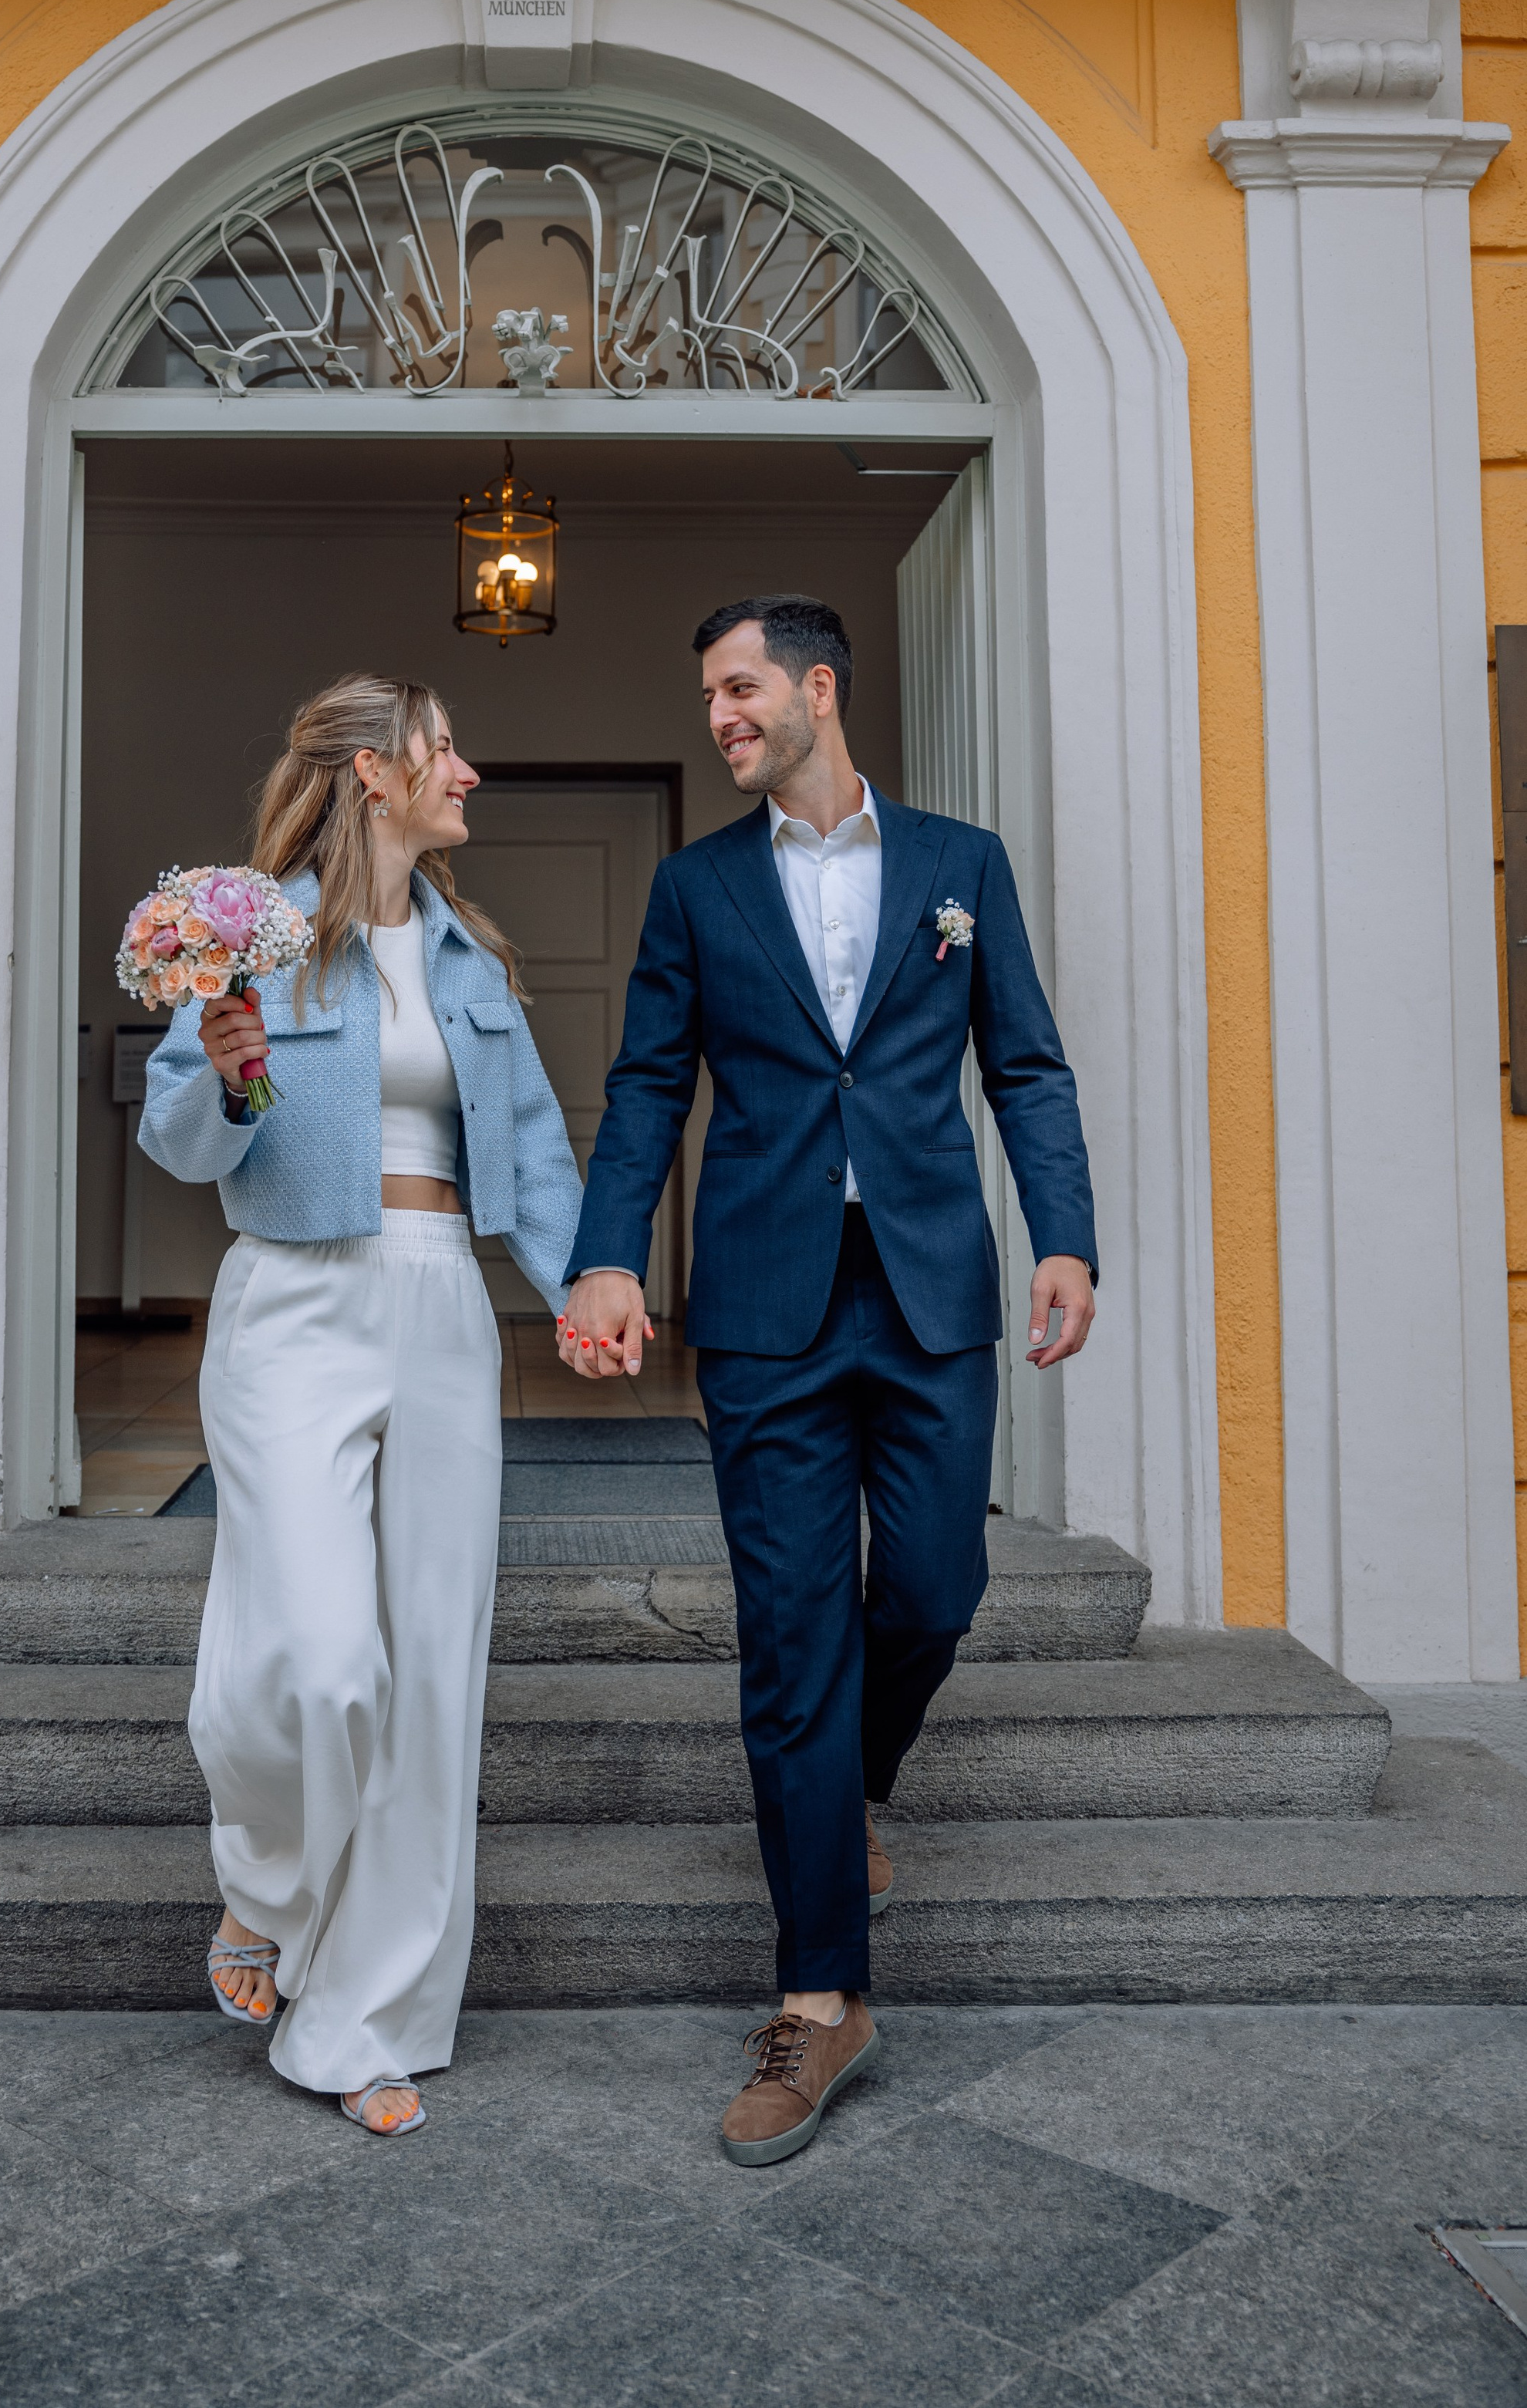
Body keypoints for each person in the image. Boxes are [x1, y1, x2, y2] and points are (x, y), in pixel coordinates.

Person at [560, 594, 1097, 2166]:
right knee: (793, 1627)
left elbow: (1024, 1061)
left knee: (930, 1587)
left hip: (930, 1286)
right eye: (708, 695)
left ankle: (841, 1792)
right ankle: (817, 1995)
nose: (720, 717)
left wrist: (1059, 1232)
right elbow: (650, 1076)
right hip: (765, 1303)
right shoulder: (693, 887)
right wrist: (607, 1253)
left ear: (815, 687)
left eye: (738, 689)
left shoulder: (957, 865)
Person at [139, 674, 581, 2137]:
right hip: (295, 1298)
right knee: (323, 1655)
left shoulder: (470, 959)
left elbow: (535, 1143)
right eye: (444, 746)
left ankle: (361, 2024)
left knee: (433, 1681)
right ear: (374, 773)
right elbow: (182, 1140)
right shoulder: (249, 932)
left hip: (444, 1296)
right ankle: (265, 1891)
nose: (469, 768)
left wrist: (591, 1282)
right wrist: (228, 1067)